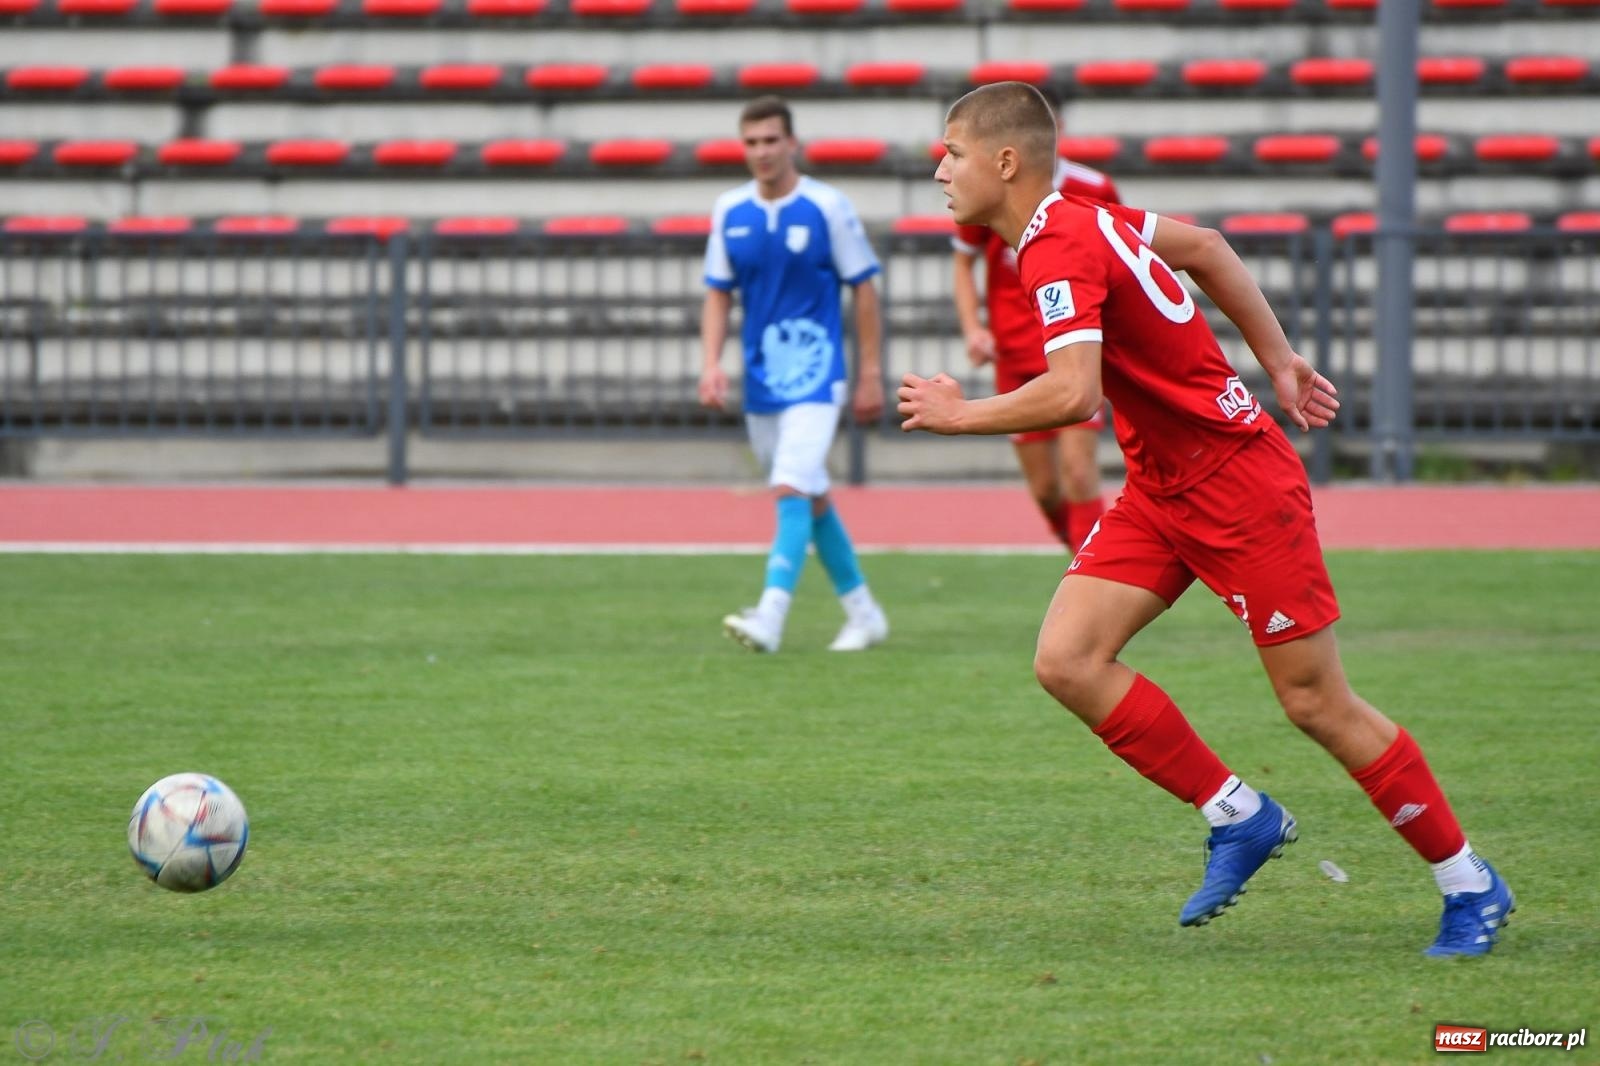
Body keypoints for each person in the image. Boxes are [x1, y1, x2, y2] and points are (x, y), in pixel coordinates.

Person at [898, 81, 1512, 956]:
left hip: (1238, 488)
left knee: (1315, 702)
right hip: (1161, 490)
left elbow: (1073, 394)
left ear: (1003, 162)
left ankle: (1469, 882)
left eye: (952, 153)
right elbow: (1208, 247)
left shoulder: (1058, 245)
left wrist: (960, 414)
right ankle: (1239, 815)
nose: (939, 171)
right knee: (1068, 660)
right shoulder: (1083, 218)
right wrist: (1280, 360)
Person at [699, 95, 890, 654]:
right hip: (762, 379)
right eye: (751, 142)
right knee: (810, 495)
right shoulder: (729, 210)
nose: (761, 151)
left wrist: (870, 372)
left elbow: (864, 287)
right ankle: (864, 613)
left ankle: (770, 615)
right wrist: (710, 364)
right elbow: (717, 293)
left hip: (818, 373)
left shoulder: (827, 206)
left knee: (789, 485)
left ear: (791, 143)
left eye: (770, 140)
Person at [950, 104, 1119, 551]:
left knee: (1079, 473)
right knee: (1045, 490)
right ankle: (1085, 563)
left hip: (1074, 350)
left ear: (1055, 127)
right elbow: (963, 263)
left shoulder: (1093, 188)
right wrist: (973, 328)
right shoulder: (991, 190)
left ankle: (1095, 576)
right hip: (1015, 356)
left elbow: (1122, 257)